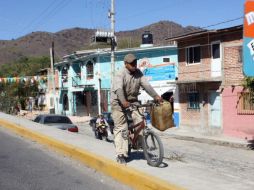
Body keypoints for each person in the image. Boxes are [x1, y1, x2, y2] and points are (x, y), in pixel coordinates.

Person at [110, 53, 162, 164]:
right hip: (118, 103)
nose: (134, 65)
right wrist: (123, 102)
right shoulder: (120, 74)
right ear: (125, 64)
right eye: (131, 63)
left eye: (135, 62)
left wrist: (156, 96)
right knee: (122, 127)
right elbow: (119, 89)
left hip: (133, 101)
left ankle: (139, 144)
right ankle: (121, 154)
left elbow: (147, 85)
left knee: (140, 120)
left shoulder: (138, 73)